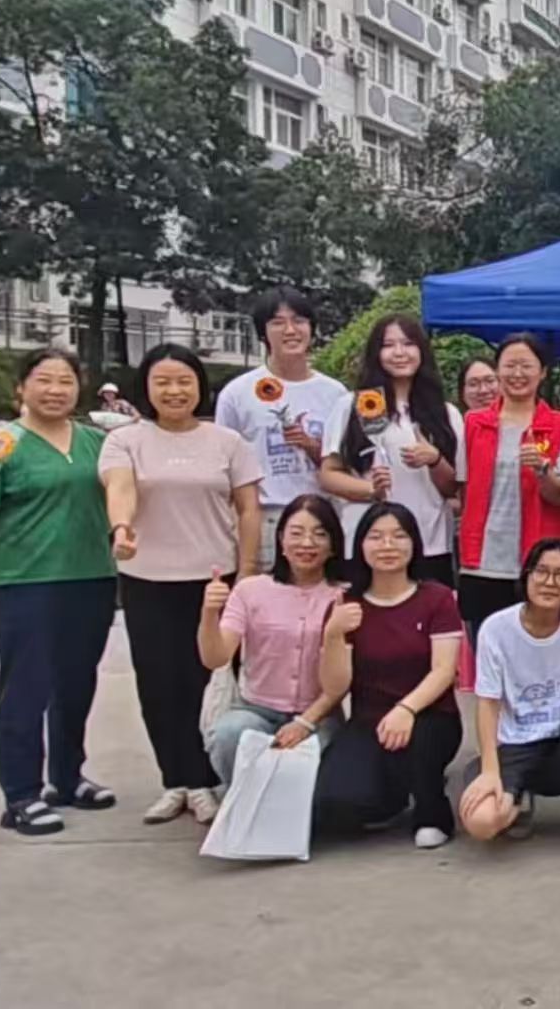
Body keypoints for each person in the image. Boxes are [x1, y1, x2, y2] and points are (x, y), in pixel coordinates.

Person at [100, 344, 263, 826]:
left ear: (199, 386)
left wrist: (247, 571)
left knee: (207, 682)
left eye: (184, 381)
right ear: (146, 388)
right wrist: (121, 528)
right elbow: (120, 487)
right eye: (163, 381)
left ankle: (206, 779)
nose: (174, 390)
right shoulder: (126, 440)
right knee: (158, 684)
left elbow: (249, 509)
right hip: (147, 579)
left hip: (214, 580)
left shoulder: (227, 442)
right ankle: (177, 781)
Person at [0, 350, 120, 835]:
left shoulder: (97, 442)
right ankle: (21, 794)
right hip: (26, 583)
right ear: (21, 388)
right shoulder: (2, 443)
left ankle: (67, 777)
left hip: (92, 579)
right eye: (44, 380)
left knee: (76, 684)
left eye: (65, 381)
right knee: (26, 688)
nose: (55, 390)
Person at [315, 502, 466, 849]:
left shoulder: (437, 598)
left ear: (414, 543)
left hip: (430, 716)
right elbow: (335, 686)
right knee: (335, 805)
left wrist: (406, 709)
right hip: (369, 721)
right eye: (376, 537)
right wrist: (333, 634)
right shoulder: (346, 604)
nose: (387, 546)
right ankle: (395, 794)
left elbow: (444, 671)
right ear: (361, 545)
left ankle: (432, 813)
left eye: (399, 536)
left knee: (421, 747)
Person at [458, 539, 560, 858]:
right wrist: (490, 769)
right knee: (482, 823)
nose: (550, 582)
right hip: (515, 745)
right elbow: (488, 704)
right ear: (526, 576)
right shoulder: (496, 628)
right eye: (541, 571)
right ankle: (513, 795)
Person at [199, 495, 348, 787]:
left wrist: (305, 721)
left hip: (320, 712)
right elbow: (215, 658)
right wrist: (209, 613)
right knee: (229, 735)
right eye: (296, 533)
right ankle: (239, 799)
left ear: (333, 545)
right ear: (280, 540)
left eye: (319, 534)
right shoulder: (250, 590)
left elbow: (343, 679)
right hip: (256, 708)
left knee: (315, 781)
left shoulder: (344, 595)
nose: (307, 543)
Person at [318, 314, 461, 584]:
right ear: (376, 353)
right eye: (388, 345)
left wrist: (434, 460)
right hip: (366, 542)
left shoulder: (446, 413)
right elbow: (328, 475)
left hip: (429, 544)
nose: (399, 353)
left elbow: (454, 487)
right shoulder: (352, 406)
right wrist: (370, 489)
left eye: (408, 344)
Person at [455, 333, 560, 634]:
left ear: (543, 371)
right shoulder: (473, 423)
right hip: (483, 558)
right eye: (510, 366)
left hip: (540, 559)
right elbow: (462, 487)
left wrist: (542, 471)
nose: (518, 374)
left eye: (527, 366)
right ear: (497, 370)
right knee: (486, 644)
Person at [214, 289, 347, 569]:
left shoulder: (335, 393)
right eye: (277, 322)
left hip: (323, 517)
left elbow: (346, 468)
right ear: (262, 333)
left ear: (311, 329)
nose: (290, 330)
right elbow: (223, 468)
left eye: (299, 321)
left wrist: (313, 447)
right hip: (264, 518)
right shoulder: (237, 393)